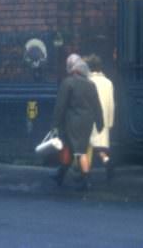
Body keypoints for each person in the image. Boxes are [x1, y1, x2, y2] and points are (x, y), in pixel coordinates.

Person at [51, 53, 104, 191]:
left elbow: (60, 106)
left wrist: (55, 125)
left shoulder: (68, 82)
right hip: (87, 122)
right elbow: (96, 105)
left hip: (72, 122)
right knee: (70, 147)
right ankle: (60, 175)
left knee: (79, 152)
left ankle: (87, 181)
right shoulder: (90, 84)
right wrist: (100, 122)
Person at [85, 54, 116, 181]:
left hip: (89, 117)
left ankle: (85, 173)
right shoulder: (108, 82)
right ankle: (107, 161)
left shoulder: (87, 82)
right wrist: (110, 121)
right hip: (103, 119)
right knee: (100, 148)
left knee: (86, 146)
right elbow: (111, 103)